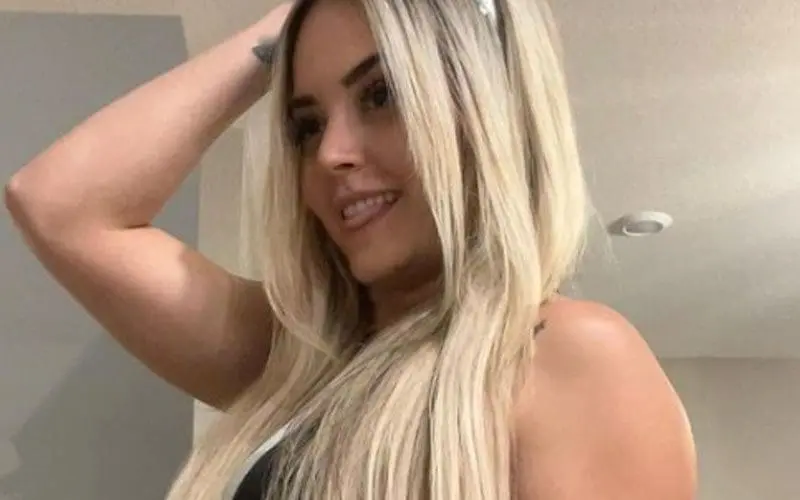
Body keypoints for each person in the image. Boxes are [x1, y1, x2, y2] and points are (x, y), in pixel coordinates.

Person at [4, 0, 697, 498]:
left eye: (382, 94)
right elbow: (58, 204)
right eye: (306, 124)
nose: (331, 153)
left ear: (481, 111)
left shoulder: (570, 359)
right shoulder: (295, 362)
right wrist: (286, 26)